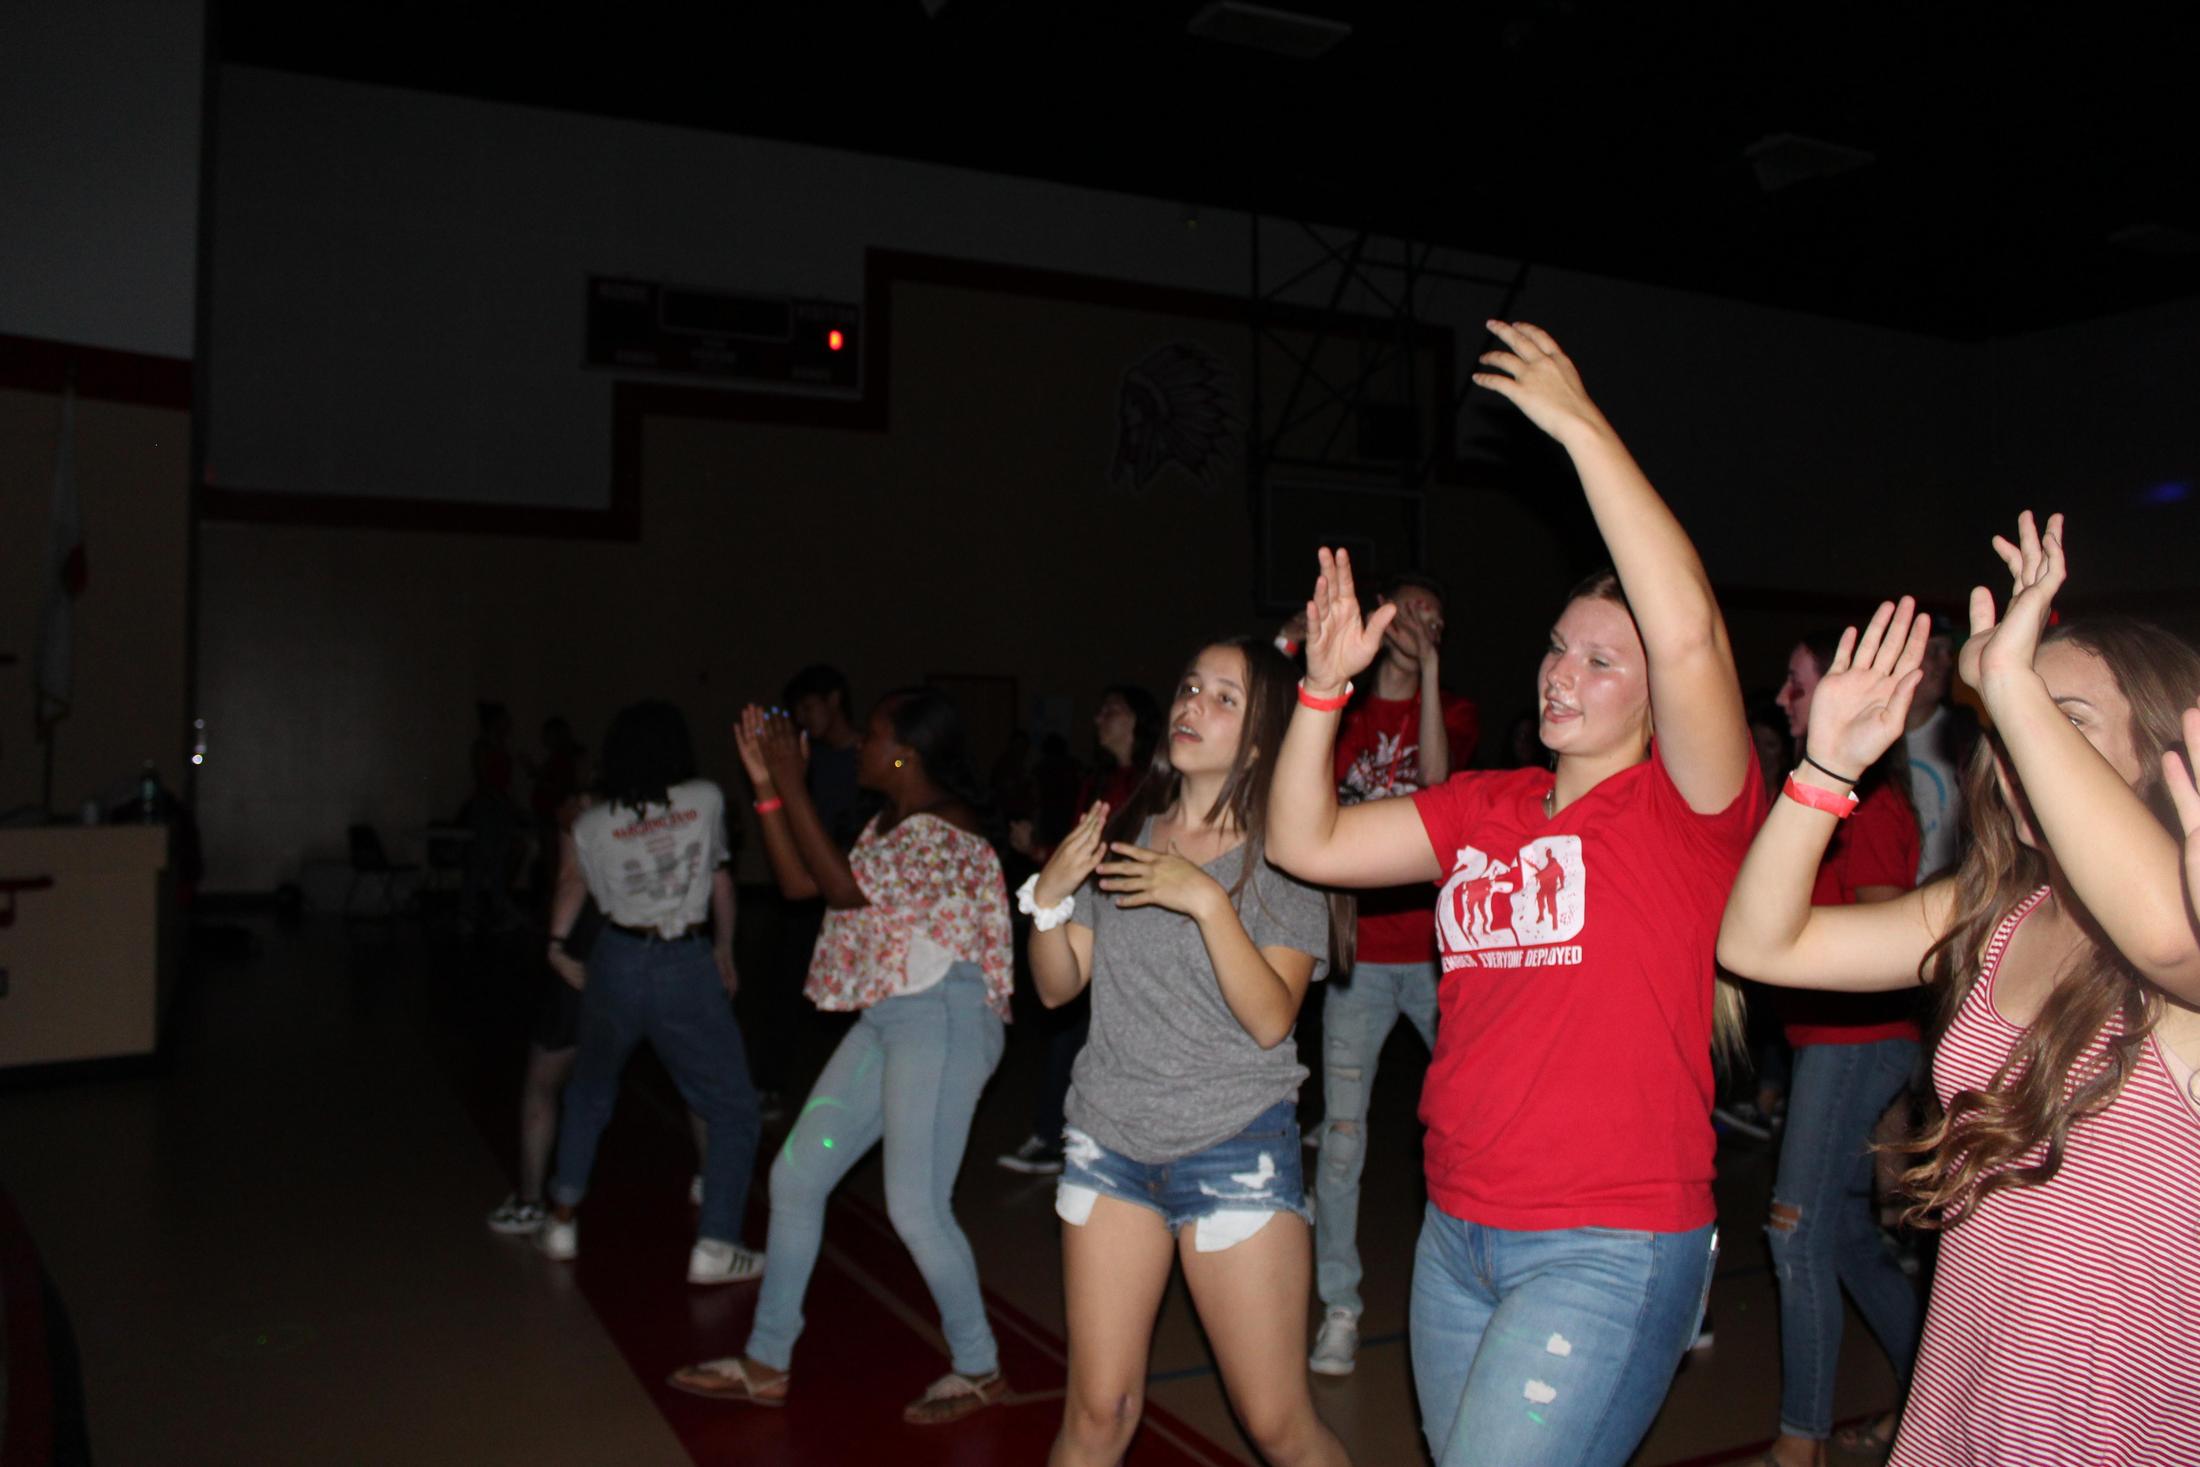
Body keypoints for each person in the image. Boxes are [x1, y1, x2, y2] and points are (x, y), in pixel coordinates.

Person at [1266, 321, 1758, 1467]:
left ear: (1656, 699)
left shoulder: (1688, 814)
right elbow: (1305, 841)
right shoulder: (1482, 805)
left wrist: (1580, 428)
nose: (1559, 670)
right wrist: (1323, 694)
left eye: (1600, 660)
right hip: (1458, 1233)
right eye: (1555, 645)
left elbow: (1687, 632)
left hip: (1607, 1241)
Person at [1716, 514, 2200, 1466]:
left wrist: (2007, 678)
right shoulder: (1995, 913)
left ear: (2157, 760)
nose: (2020, 744)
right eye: (2015, 722)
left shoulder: (2174, 956)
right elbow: (1760, 941)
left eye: (2065, 723)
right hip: (1965, 1402)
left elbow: (2161, 933)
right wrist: (1828, 766)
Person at [1025, 636, 1350, 1467]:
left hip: (1233, 1147)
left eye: (1224, 697)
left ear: (1263, 732)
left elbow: (1273, 1017)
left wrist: (1207, 900)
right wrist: (1051, 905)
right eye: (1189, 687)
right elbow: (1060, 988)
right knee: (1097, 1416)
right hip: (1108, 1145)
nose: (1191, 705)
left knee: (1277, 1423)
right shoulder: (1129, 829)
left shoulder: (1288, 853)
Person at [670, 688, 1016, 1426]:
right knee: (796, 1176)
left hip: (944, 1018)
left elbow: (840, 889)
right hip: (890, 1018)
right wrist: (768, 788)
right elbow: (803, 884)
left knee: (917, 1207)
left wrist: (791, 782)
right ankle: (767, 1360)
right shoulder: (883, 825)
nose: (858, 745)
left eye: (873, 736)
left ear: (906, 754)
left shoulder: (950, 827)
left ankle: (980, 1364)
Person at [1752, 632, 1924, 1466]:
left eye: (1797, 683)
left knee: (1794, 1232)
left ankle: (1799, 1442)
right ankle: (1928, 1394)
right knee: (1848, 1239)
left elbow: (1893, 945)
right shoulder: (1816, 798)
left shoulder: (1877, 808)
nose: (1782, 698)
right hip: (1830, 1042)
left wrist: (1894, 1104)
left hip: (1855, 1043)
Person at [1304, 572, 1479, 1376]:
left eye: (1438, 619)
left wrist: (1433, 676)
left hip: (1442, 960)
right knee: (1343, 1138)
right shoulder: (1345, 707)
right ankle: (1340, 1303)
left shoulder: (1455, 712)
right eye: (1413, 612)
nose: (1424, 625)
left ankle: (1480, 1290)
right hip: (1362, 961)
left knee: (1472, 1122)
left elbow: (1441, 796)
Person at [535, 701, 764, 1284]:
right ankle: (716, 1244)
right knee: (733, 1106)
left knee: (590, 1091)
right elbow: (719, 880)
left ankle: (561, 1218)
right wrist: (725, 948)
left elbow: (570, 884)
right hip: (682, 960)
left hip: (613, 958)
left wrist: (557, 946)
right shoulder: (706, 800)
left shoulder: (590, 824)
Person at [1000, 683, 1164, 1176]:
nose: (1099, 720)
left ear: (1139, 720)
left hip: (1132, 918)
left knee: (1089, 1033)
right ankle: (1061, 1135)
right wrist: (1041, 855)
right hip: (1090, 912)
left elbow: (1118, 856)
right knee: (1068, 1027)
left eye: (1111, 710)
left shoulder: (1154, 785)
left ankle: (1073, 1138)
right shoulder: (1099, 780)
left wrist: (1043, 856)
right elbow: (1082, 856)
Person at [1898, 627, 1978, 884]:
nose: (1946, 663)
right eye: (1933, 652)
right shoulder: (1874, 741)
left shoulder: (1963, 734)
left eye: (1948, 653)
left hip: (1947, 896)